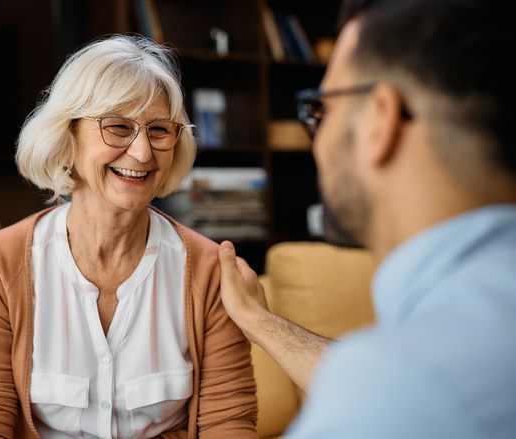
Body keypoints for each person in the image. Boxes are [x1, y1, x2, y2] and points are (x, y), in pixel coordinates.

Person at [218, 0, 516, 438]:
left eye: (320, 110)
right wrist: (259, 320)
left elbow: (398, 391)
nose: (315, 143)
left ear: (380, 119)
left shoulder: (394, 388)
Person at [0, 35, 257, 439]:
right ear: (68, 135)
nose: (143, 153)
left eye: (159, 130)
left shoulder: (209, 271)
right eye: (117, 127)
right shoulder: (2, 262)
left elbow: (229, 425)